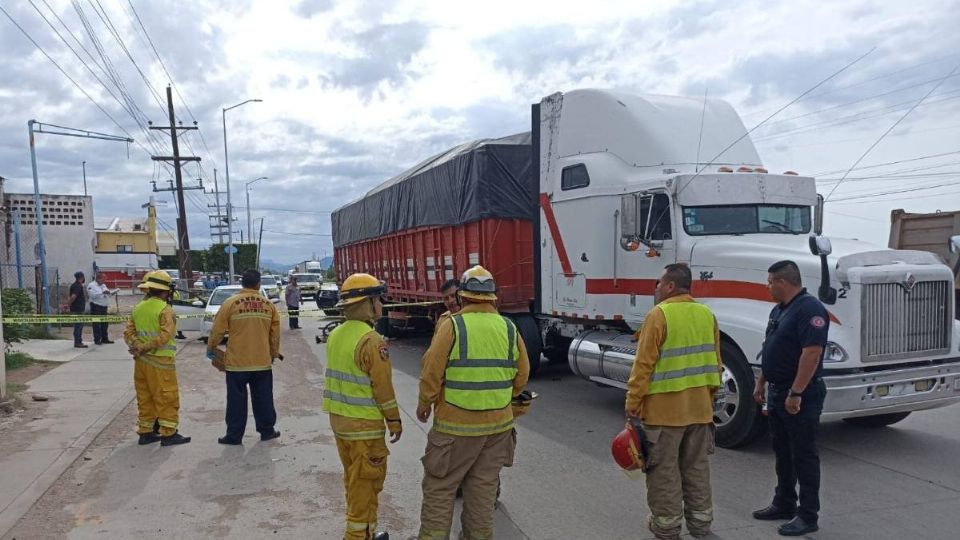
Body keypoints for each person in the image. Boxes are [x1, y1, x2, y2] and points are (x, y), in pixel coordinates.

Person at [416, 265, 530, 540]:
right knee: (482, 491)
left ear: (463, 297)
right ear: (494, 298)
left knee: (440, 488)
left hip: (456, 428)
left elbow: (432, 370)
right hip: (498, 429)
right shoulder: (509, 328)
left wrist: (424, 403)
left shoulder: (452, 325)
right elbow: (522, 375)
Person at [624, 263, 723, 540]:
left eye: (658, 283)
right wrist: (707, 400)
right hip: (700, 412)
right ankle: (701, 526)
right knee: (697, 470)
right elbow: (716, 364)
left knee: (664, 473)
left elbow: (643, 366)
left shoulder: (659, 315)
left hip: (664, 415)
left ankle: (667, 528)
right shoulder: (707, 315)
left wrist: (632, 403)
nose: (655, 288)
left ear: (669, 286)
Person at [752, 260, 829, 537]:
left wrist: (796, 393)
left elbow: (812, 353)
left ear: (783, 282)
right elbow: (770, 347)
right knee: (783, 453)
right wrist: (762, 381)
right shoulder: (779, 310)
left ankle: (808, 515)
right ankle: (784, 502)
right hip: (777, 390)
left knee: (803, 455)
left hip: (801, 394)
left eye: (770, 281)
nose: (768, 286)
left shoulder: (809, 309)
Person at [323, 273, 400, 540]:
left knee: (355, 483)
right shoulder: (372, 341)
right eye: (378, 299)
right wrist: (395, 421)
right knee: (365, 486)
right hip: (364, 430)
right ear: (367, 303)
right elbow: (383, 389)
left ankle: (367, 532)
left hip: (341, 425)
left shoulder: (336, 334)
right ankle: (356, 535)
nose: (381, 304)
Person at [208, 269, 282, 445]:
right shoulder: (268, 305)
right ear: (258, 284)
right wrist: (273, 353)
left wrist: (211, 347)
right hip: (261, 362)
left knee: (236, 401)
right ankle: (267, 431)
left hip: (236, 363)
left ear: (242, 284)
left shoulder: (230, 303)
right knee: (263, 398)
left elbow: (217, 330)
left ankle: (234, 436)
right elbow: (275, 335)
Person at [123, 270, 191, 446]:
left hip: (141, 362)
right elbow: (165, 336)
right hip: (161, 362)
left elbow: (128, 332)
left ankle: (146, 432)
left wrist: (137, 346)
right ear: (165, 291)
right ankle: (169, 434)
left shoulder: (138, 308)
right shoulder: (165, 310)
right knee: (166, 396)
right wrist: (144, 347)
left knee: (145, 397)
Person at [87, 271, 115, 345]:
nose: (104, 281)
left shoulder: (103, 285)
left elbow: (107, 292)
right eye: (103, 279)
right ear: (98, 278)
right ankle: (97, 340)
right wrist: (102, 293)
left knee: (105, 323)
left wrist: (110, 293)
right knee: (96, 324)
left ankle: (105, 339)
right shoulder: (91, 285)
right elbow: (92, 296)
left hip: (104, 306)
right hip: (96, 306)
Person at [67, 271, 88, 348]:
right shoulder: (78, 286)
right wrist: (68, 304)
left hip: (77, 308)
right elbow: (73, 297)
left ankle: (79, 341)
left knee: (78, 325)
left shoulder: (74, 285)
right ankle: (77, 342)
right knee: (78, 325)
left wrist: (69, 304)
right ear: (82, 277)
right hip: (78, 309)